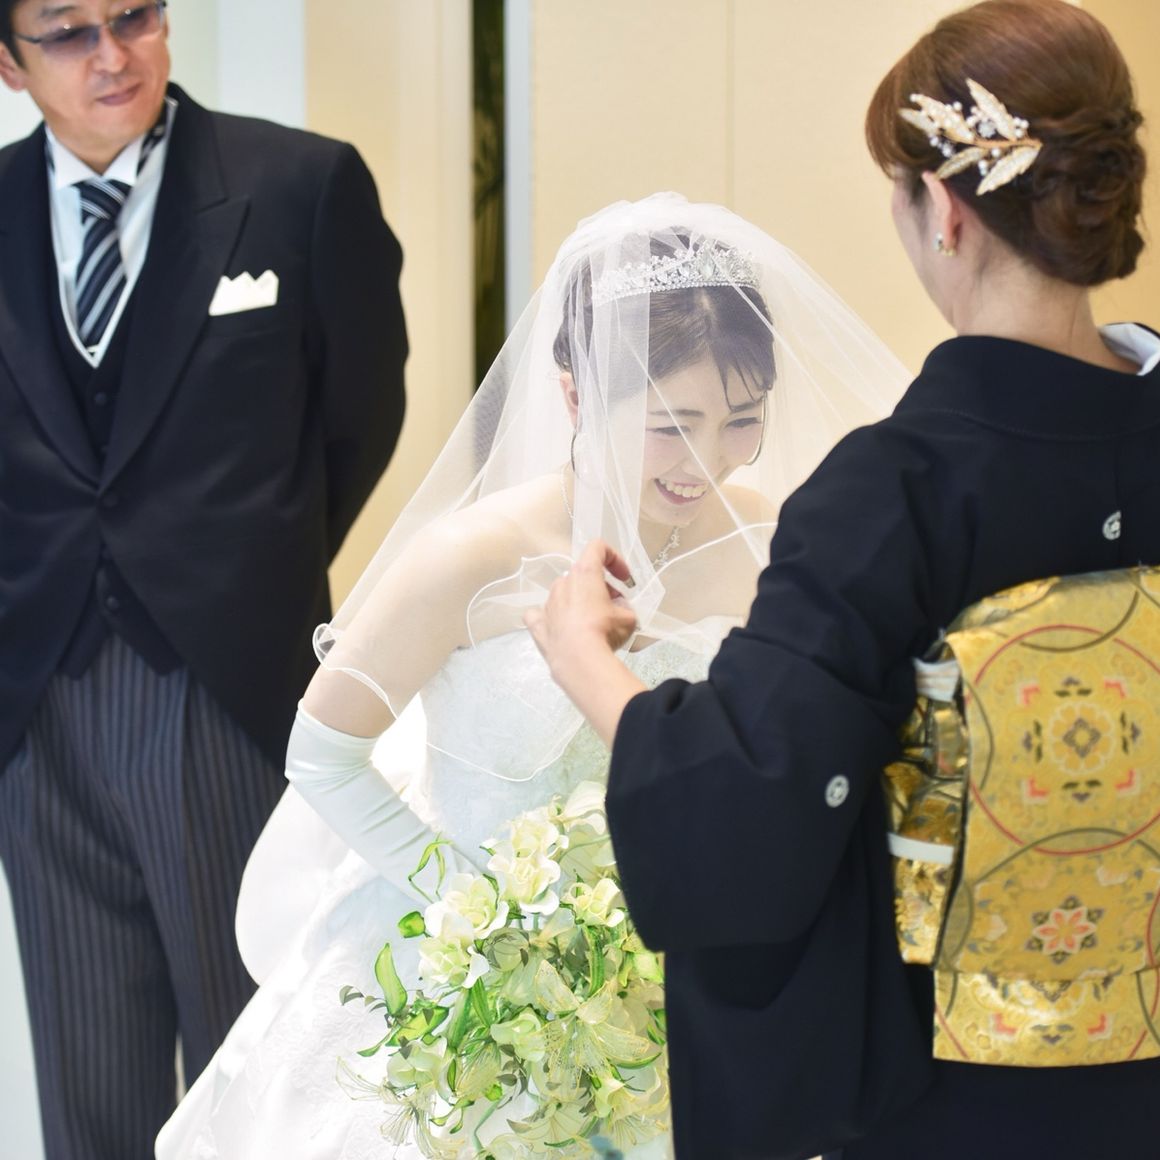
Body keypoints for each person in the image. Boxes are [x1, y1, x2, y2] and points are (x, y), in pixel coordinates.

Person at [525, 3, 1160, 1159]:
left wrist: (587, 666)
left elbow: (752, 806)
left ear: (945, 214)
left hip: (971, 1088)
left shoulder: (893, 492)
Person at [154, 193, 908, 1159]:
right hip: (461, 966)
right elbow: (323, 754)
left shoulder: (769, 542)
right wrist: (478, 909)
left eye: (741, 421)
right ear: (576, 395)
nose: (707, 461)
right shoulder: (471, 557)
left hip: (684, 980)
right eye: (672, 424)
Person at [0, 1, 407, 1157]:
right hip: (36, 697)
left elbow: (360, 415)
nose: (111, 54)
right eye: (67, 32)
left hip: (228, 687)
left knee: (258, 1060)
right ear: (9, 64)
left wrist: (244, 575)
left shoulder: (300, 186)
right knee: (89, 1078)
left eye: (133, 15)